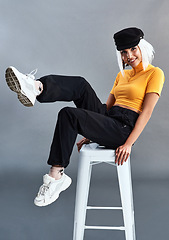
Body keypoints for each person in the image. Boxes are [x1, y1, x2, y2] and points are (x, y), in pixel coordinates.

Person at [5, 27, 165, 207]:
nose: (129, 56)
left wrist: (128, 143)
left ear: (142, 47)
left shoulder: (155, 73)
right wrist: (92, 130)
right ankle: (36, 87)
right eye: (124, 52)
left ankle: (56, 176)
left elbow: (147, 112)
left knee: (68, 114)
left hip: (124, 129)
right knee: (80, 85)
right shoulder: (123, 75)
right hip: (111, 119)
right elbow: (107, 108)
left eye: (133, 49)